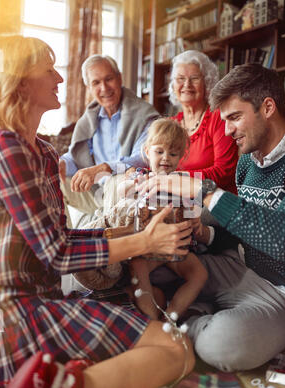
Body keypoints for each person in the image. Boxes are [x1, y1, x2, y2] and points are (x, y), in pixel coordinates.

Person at [0, 35, 195, 388]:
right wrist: (140, 241)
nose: (59, 78)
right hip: (16, 310)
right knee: (178, 351)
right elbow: (56, 253)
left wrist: (126, 234)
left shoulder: (41, 150)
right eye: (48, 70)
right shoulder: (8, 148)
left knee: (173, 346)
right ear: (22, 82)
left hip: (45, 298)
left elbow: (62, 236)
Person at [137, 63, 285, 372]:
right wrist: (205, 234)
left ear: (267, 107)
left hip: (284, 292)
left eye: (234, 118)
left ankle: (188, 321)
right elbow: (243, 228)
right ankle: (195, 313)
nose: (227, 130)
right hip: (239, 264)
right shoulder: (248, 163)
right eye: (224, 120)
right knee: (151, 268)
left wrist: (204, 190)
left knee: (223, 344)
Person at [75, 118, 208, 321]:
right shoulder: (141, 177)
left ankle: (171, 317)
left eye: (173, 154)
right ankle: (151, 318)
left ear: (181, 156)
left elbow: (194, 207)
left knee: (199, 274)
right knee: (138, 268)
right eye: (159, 152)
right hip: (147, 249)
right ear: (147, 152)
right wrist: (133, 184)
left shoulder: (184, 181)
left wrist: (196, 219)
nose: (166, 158)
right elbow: (121, 191)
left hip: (175, 248)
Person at [59, 54, 159, 218]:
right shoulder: (88, 120)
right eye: (96, 83)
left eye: (109, 79)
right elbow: (76, 157)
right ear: (89, 88)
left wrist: (105, 168)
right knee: (56, 181)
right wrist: (62, 163)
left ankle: (108, 231)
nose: (104, 88)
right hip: (98, 193)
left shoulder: (144, 114)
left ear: (119, 79)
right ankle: (66, 240)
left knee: (115, 180)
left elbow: (143, 157)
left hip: (130, 191)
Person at [168, 50, 239, 195]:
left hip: (213, 200)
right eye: (180, 78)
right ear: (173, 85)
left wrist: (176, 178)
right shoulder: (170, 124)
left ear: (207, 82)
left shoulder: (218, 117)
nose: (187, 84)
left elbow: (224, 171)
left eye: (194, 78)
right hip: (178, 197)